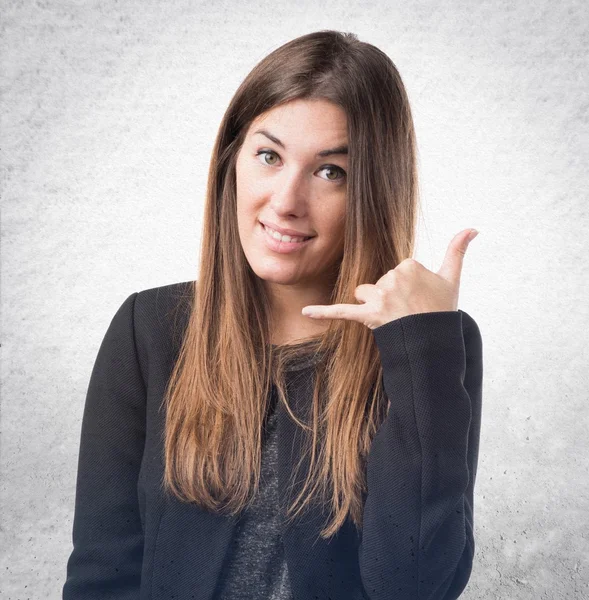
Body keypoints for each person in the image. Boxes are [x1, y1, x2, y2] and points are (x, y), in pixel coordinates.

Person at [62, 30, 483, 600]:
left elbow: (414, 587)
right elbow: (101, 574)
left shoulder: (429, 347)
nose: (286, 200)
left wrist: (421, 348)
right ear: (232, 162)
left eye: (330, 171)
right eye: (269, 156)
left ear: (373, 191)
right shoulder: (149, 329)